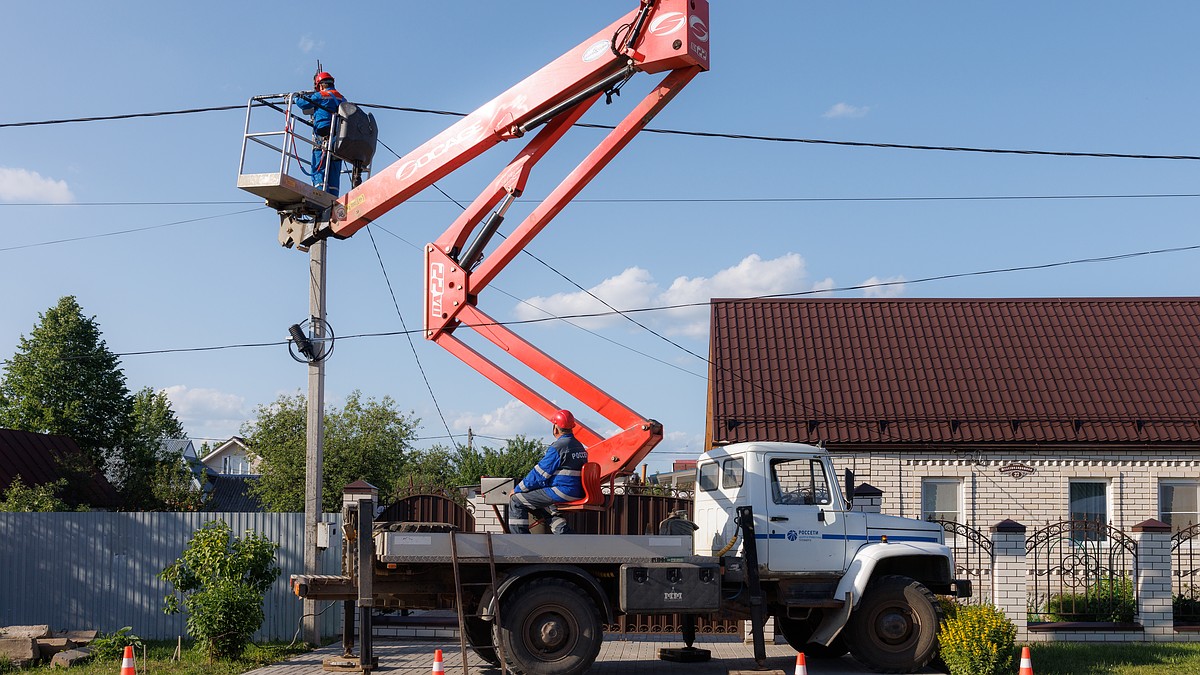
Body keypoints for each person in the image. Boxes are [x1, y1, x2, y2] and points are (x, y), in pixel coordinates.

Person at [509, 409, 589, 534]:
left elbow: (539, 474)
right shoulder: (578, 446)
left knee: (516, 500)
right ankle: (562, 531)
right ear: (572, 427)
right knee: (541, 501)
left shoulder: (558, 447)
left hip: (562, 491)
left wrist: (518, 488)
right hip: (577, 491)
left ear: (555, 428)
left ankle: (521, 541)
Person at [296, 71, 346, 196]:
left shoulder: (320, 95)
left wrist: (297, 96)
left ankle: (319, 191)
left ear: (321, 85)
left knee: (319, 162)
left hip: (323, 133)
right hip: (338, 135)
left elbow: (303, 104)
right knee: (334, 163)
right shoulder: (341, 98)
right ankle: (333, 194)